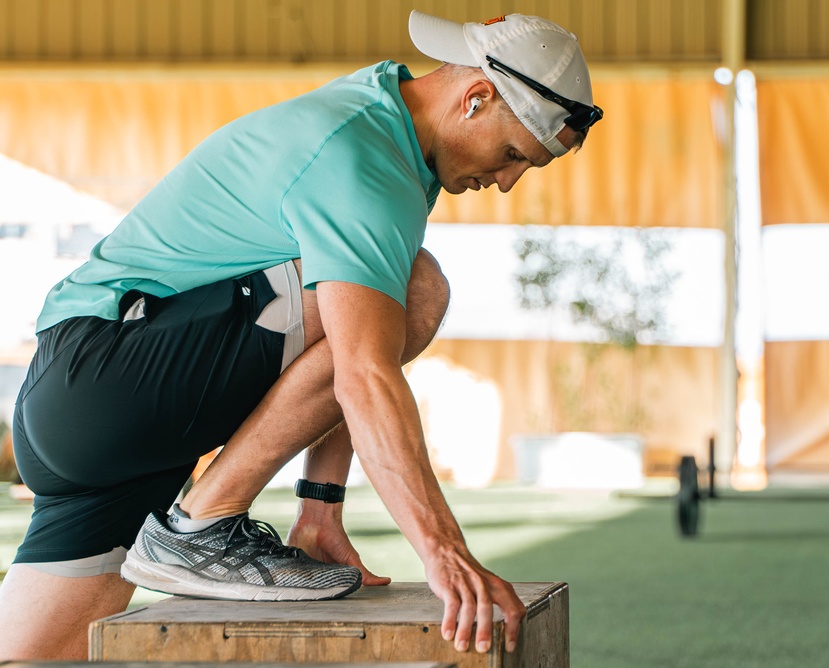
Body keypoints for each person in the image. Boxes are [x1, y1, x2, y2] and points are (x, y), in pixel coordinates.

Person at [0, 10, 602, 660]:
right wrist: (444, 552)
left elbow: (349, 342)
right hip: (110, 379)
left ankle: (199, 525)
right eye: (512, 155)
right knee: (417, 289)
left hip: (94, 413)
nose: (507, 181)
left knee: (30, 655)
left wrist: (320, 510)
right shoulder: (363, 158)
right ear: (475, 98)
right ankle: (200, 528)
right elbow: (363, 371)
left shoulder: (381, 124)